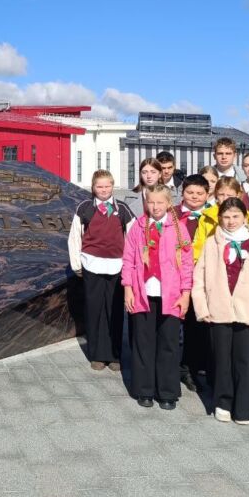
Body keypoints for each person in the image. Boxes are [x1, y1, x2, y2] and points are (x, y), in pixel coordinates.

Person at [191, 198, 249, 425]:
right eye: (226, 217)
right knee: (221, 360)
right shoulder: (212, 243)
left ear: (245, 218)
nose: (231, 221)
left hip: (246, 313)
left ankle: (243, 408)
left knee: (244, 361)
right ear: (219, 219)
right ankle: (223, 402)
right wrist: (202, 307)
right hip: (218, 310)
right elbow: (199, 278)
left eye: (236, 216)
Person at [122, 184, 193, 410]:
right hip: (143, 293)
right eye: (151, 202)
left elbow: (187, 264)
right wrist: (128, 289)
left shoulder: (179, 229)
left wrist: (186, 294)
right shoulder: (138, 226)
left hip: (170, 294)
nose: (155, 206)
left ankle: (167, 391)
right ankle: (144, 389)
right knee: (143, 342)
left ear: (169, 203)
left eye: (160, 202)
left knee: (169, 343)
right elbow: (128, 258)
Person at [68, 170, 135, 372]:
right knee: (94, 310)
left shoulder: (122, 209)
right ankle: (97, 355)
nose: (104, 190)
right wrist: (77, 265)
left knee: (114, 311)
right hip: (92, 266)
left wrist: (131, 267)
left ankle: (114, 355)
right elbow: (75, 237)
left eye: (107, 186)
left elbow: (133, 238)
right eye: (99, 186)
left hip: (117, 267)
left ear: (113, 186)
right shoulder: (85, 208)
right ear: (93, 187)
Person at [176, 174, 217, 392]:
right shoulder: (172, 214)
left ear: (207, 194)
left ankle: (191, 368)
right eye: (190, 192)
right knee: (174, 325)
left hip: (203, 279)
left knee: (197, 325)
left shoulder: (213, 216)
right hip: (176, 279)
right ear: (182, 193)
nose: (194, 197)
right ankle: (173, 366)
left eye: (199, 193)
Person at [192, 177, 249, 263]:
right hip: (212, 263)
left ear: (238, 195)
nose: (225, 198)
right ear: (216, 194)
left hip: (242, 263)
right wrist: (196, 263)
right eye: (221, 194)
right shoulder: (206, 217)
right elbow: (199, 244)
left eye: (229, 195)